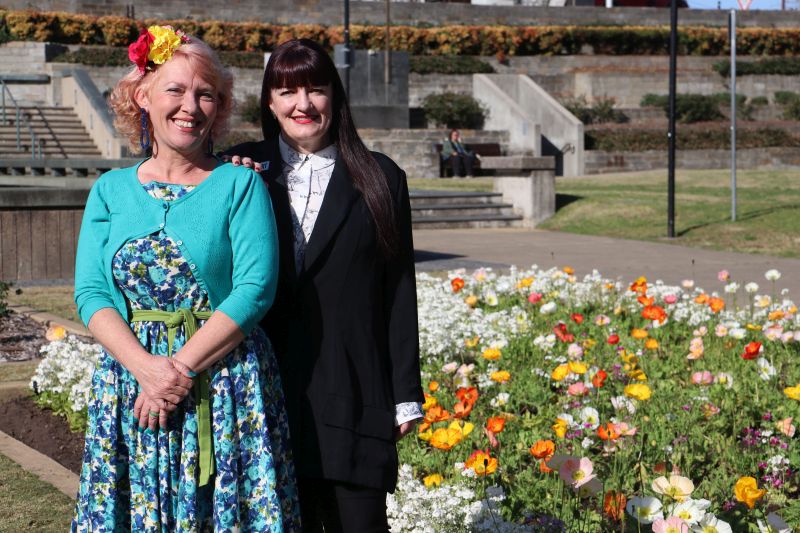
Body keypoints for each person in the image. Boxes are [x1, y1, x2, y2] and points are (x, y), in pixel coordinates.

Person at [72, 26, 300, 532]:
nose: (190, 106)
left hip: (222, 385)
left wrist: (176, 370)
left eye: (206, 95)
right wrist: (147, 372)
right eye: (175, 89)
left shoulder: (240, 183)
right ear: (143, 95)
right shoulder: (110, 191)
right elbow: (90, 293)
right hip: (132, 384)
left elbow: (255, 288)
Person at [225, 39, 424, 532]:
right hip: (260, 394)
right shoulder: (239, 170)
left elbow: (397, 291)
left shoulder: (381, 177)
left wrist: (405, 394)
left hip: (352, 392)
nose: (303, 104)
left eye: (316, 89)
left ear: (335, 97)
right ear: (269, 102)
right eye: (287, 91)